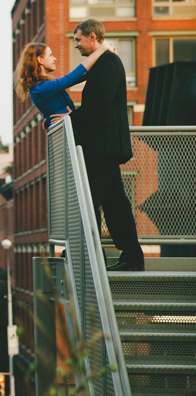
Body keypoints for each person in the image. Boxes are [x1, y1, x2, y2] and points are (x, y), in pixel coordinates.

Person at [52, 19, 144, 272]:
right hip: (104, 147)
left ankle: (91, 256)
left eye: (78, 40)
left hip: (102, 147)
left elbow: (99, 102)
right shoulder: (105, 62)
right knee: (115, 204)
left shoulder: (108, 63)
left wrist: (69, 119)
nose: (76, 45)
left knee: (89, 201)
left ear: (93, 37)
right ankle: (131, 258)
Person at [15, 38, 115, 128]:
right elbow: (75, 75)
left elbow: (79, 77)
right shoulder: (41, 88)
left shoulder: (42, 86)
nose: (55, 58)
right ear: (40, 60)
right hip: (68, 137)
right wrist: (102, 49)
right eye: (50, 55)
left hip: (69, 132)